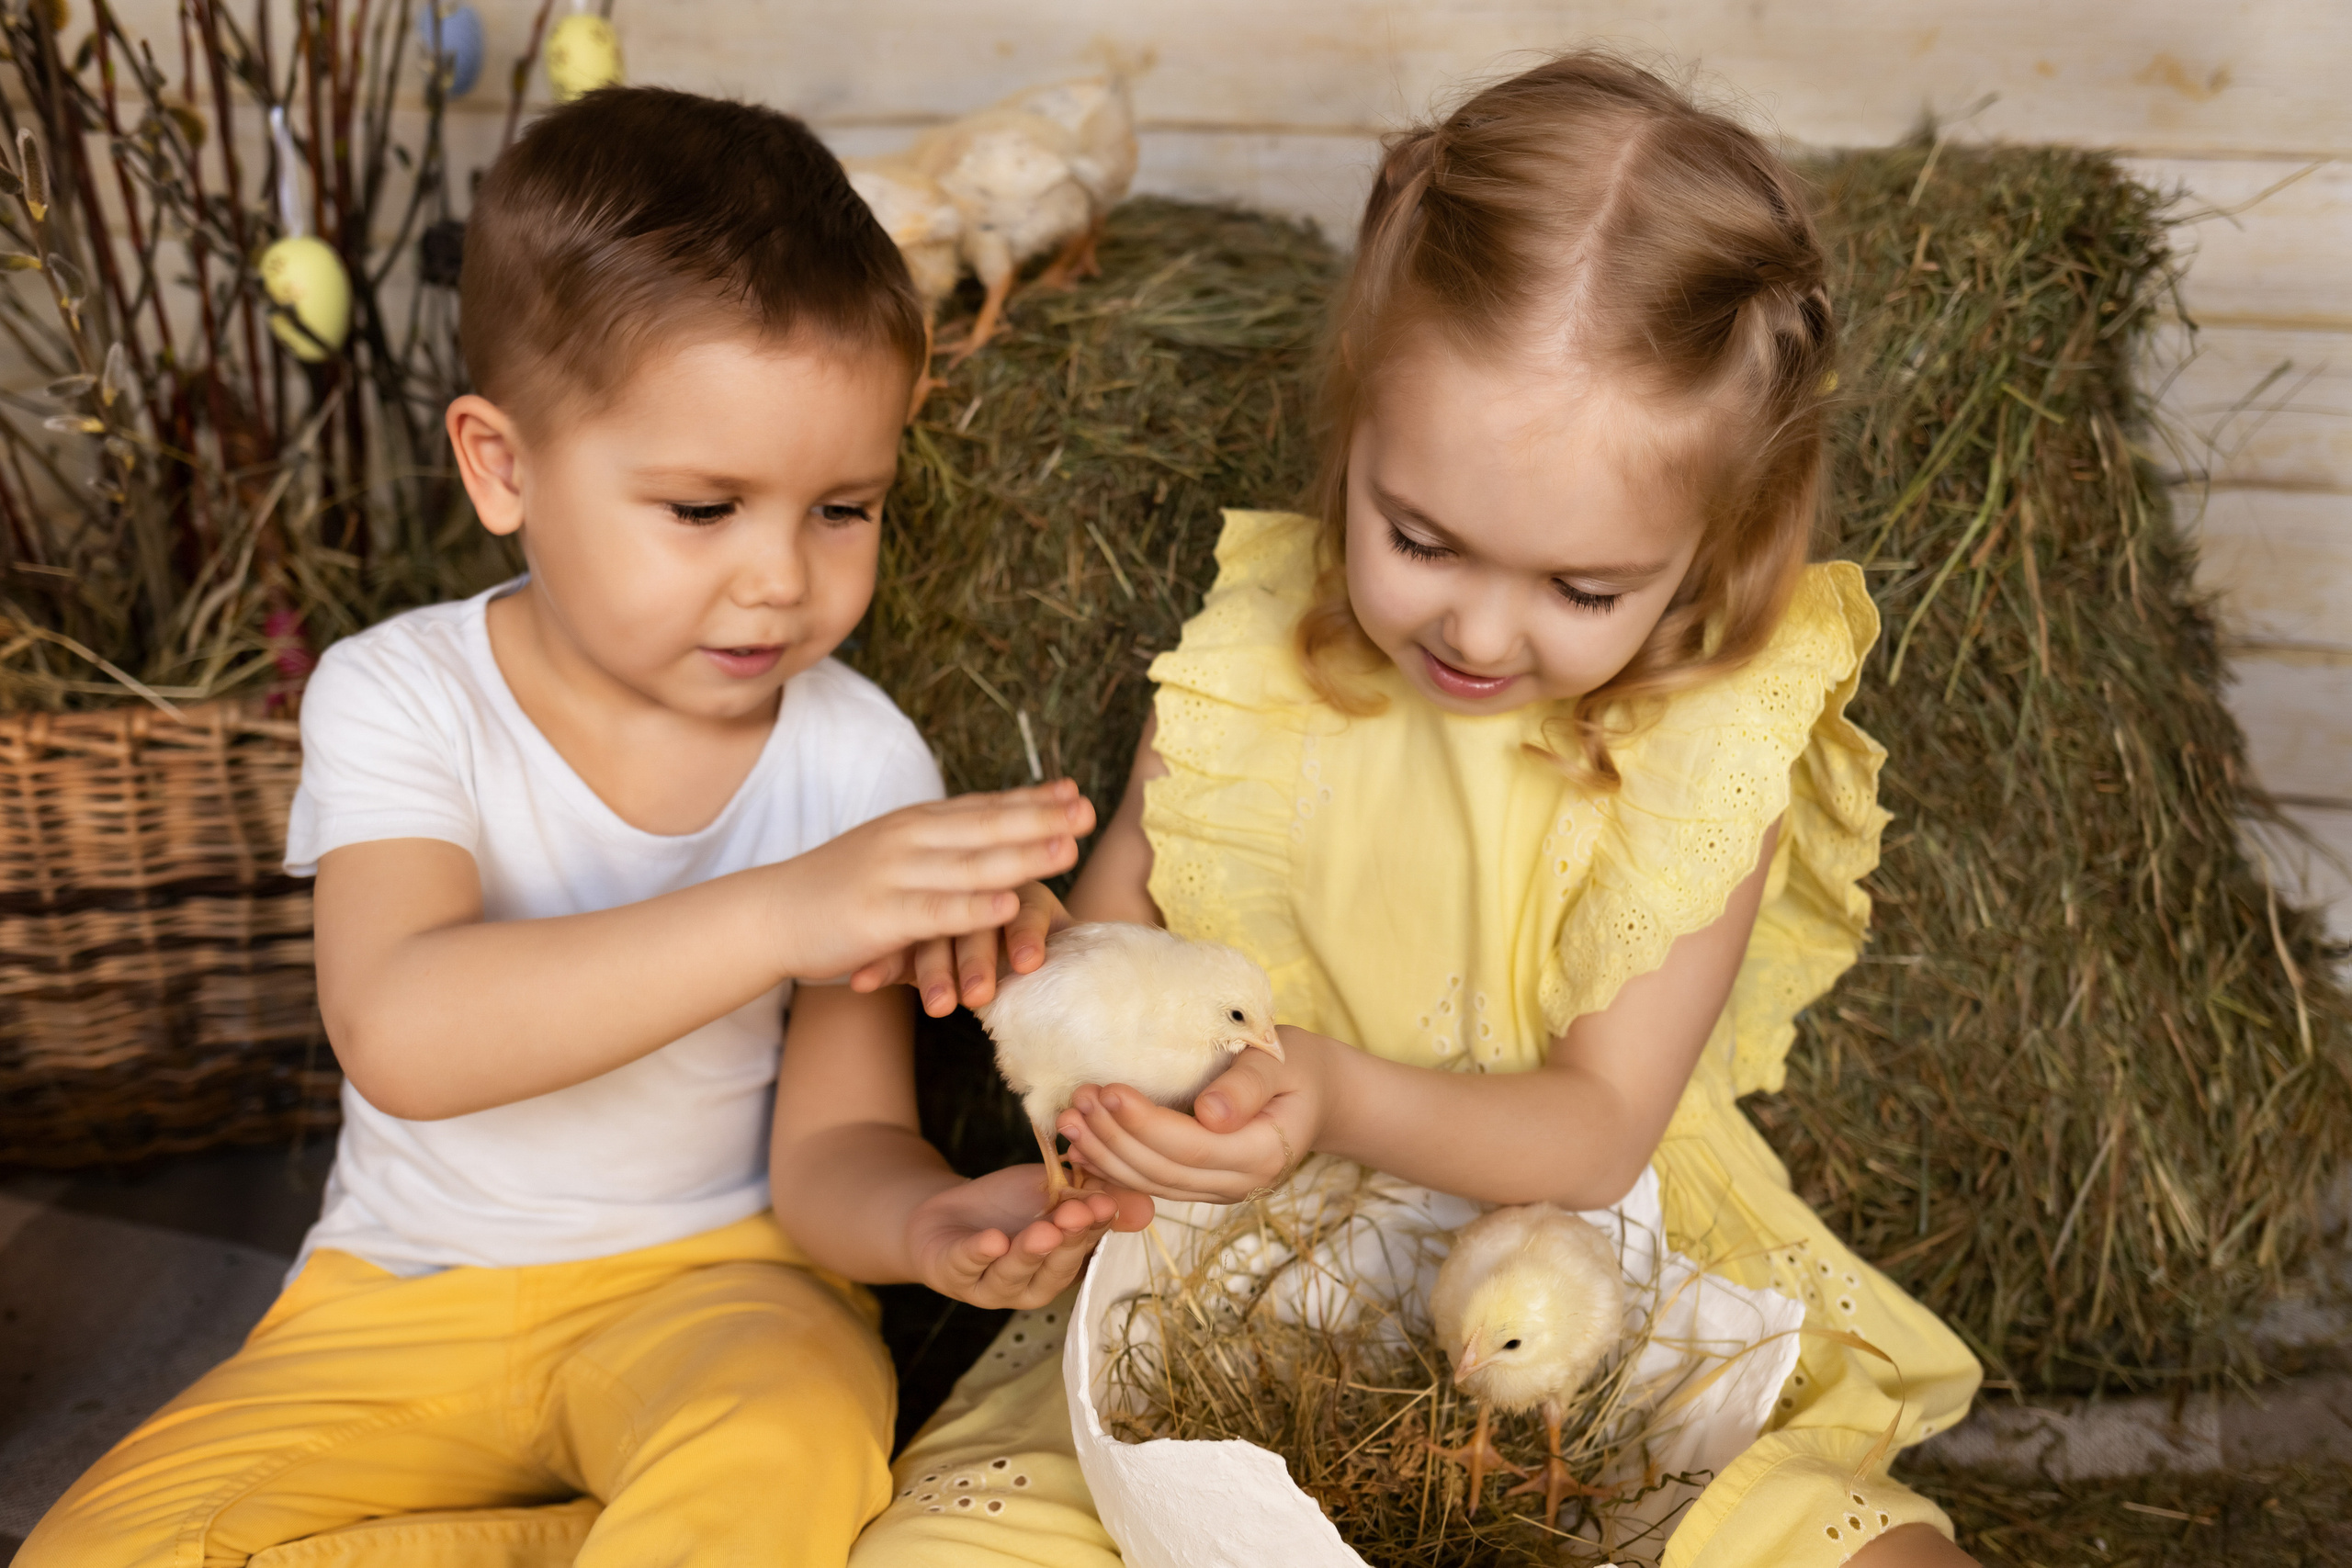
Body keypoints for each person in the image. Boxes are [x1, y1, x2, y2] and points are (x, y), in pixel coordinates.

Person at [852, 53, 1984, 1568]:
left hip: (1572, 1292)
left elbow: (1592, 1130)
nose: (1484, 633)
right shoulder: (1255, 666)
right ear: (1352, 437)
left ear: (1712, 550)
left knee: (1855, 1551)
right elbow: (1123, 932)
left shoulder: (1702, 749)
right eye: (1420, 538)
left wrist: (1327, 1094)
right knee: (943, 1547)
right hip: (1215, 1293)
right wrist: (1038, 968)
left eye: (1585, 588)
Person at [19, 87, 1148, 1568]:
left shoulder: (859, 758)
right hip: (395, 1298)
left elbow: (837, 1149)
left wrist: (933, 1225)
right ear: (504, 468)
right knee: (94, 1548)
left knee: (788, 1439)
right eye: (701, 508)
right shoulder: (401, 696)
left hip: (720, 1292)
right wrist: (784, 910)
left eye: (843, 508)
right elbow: (408, 1033)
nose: (778, 582)